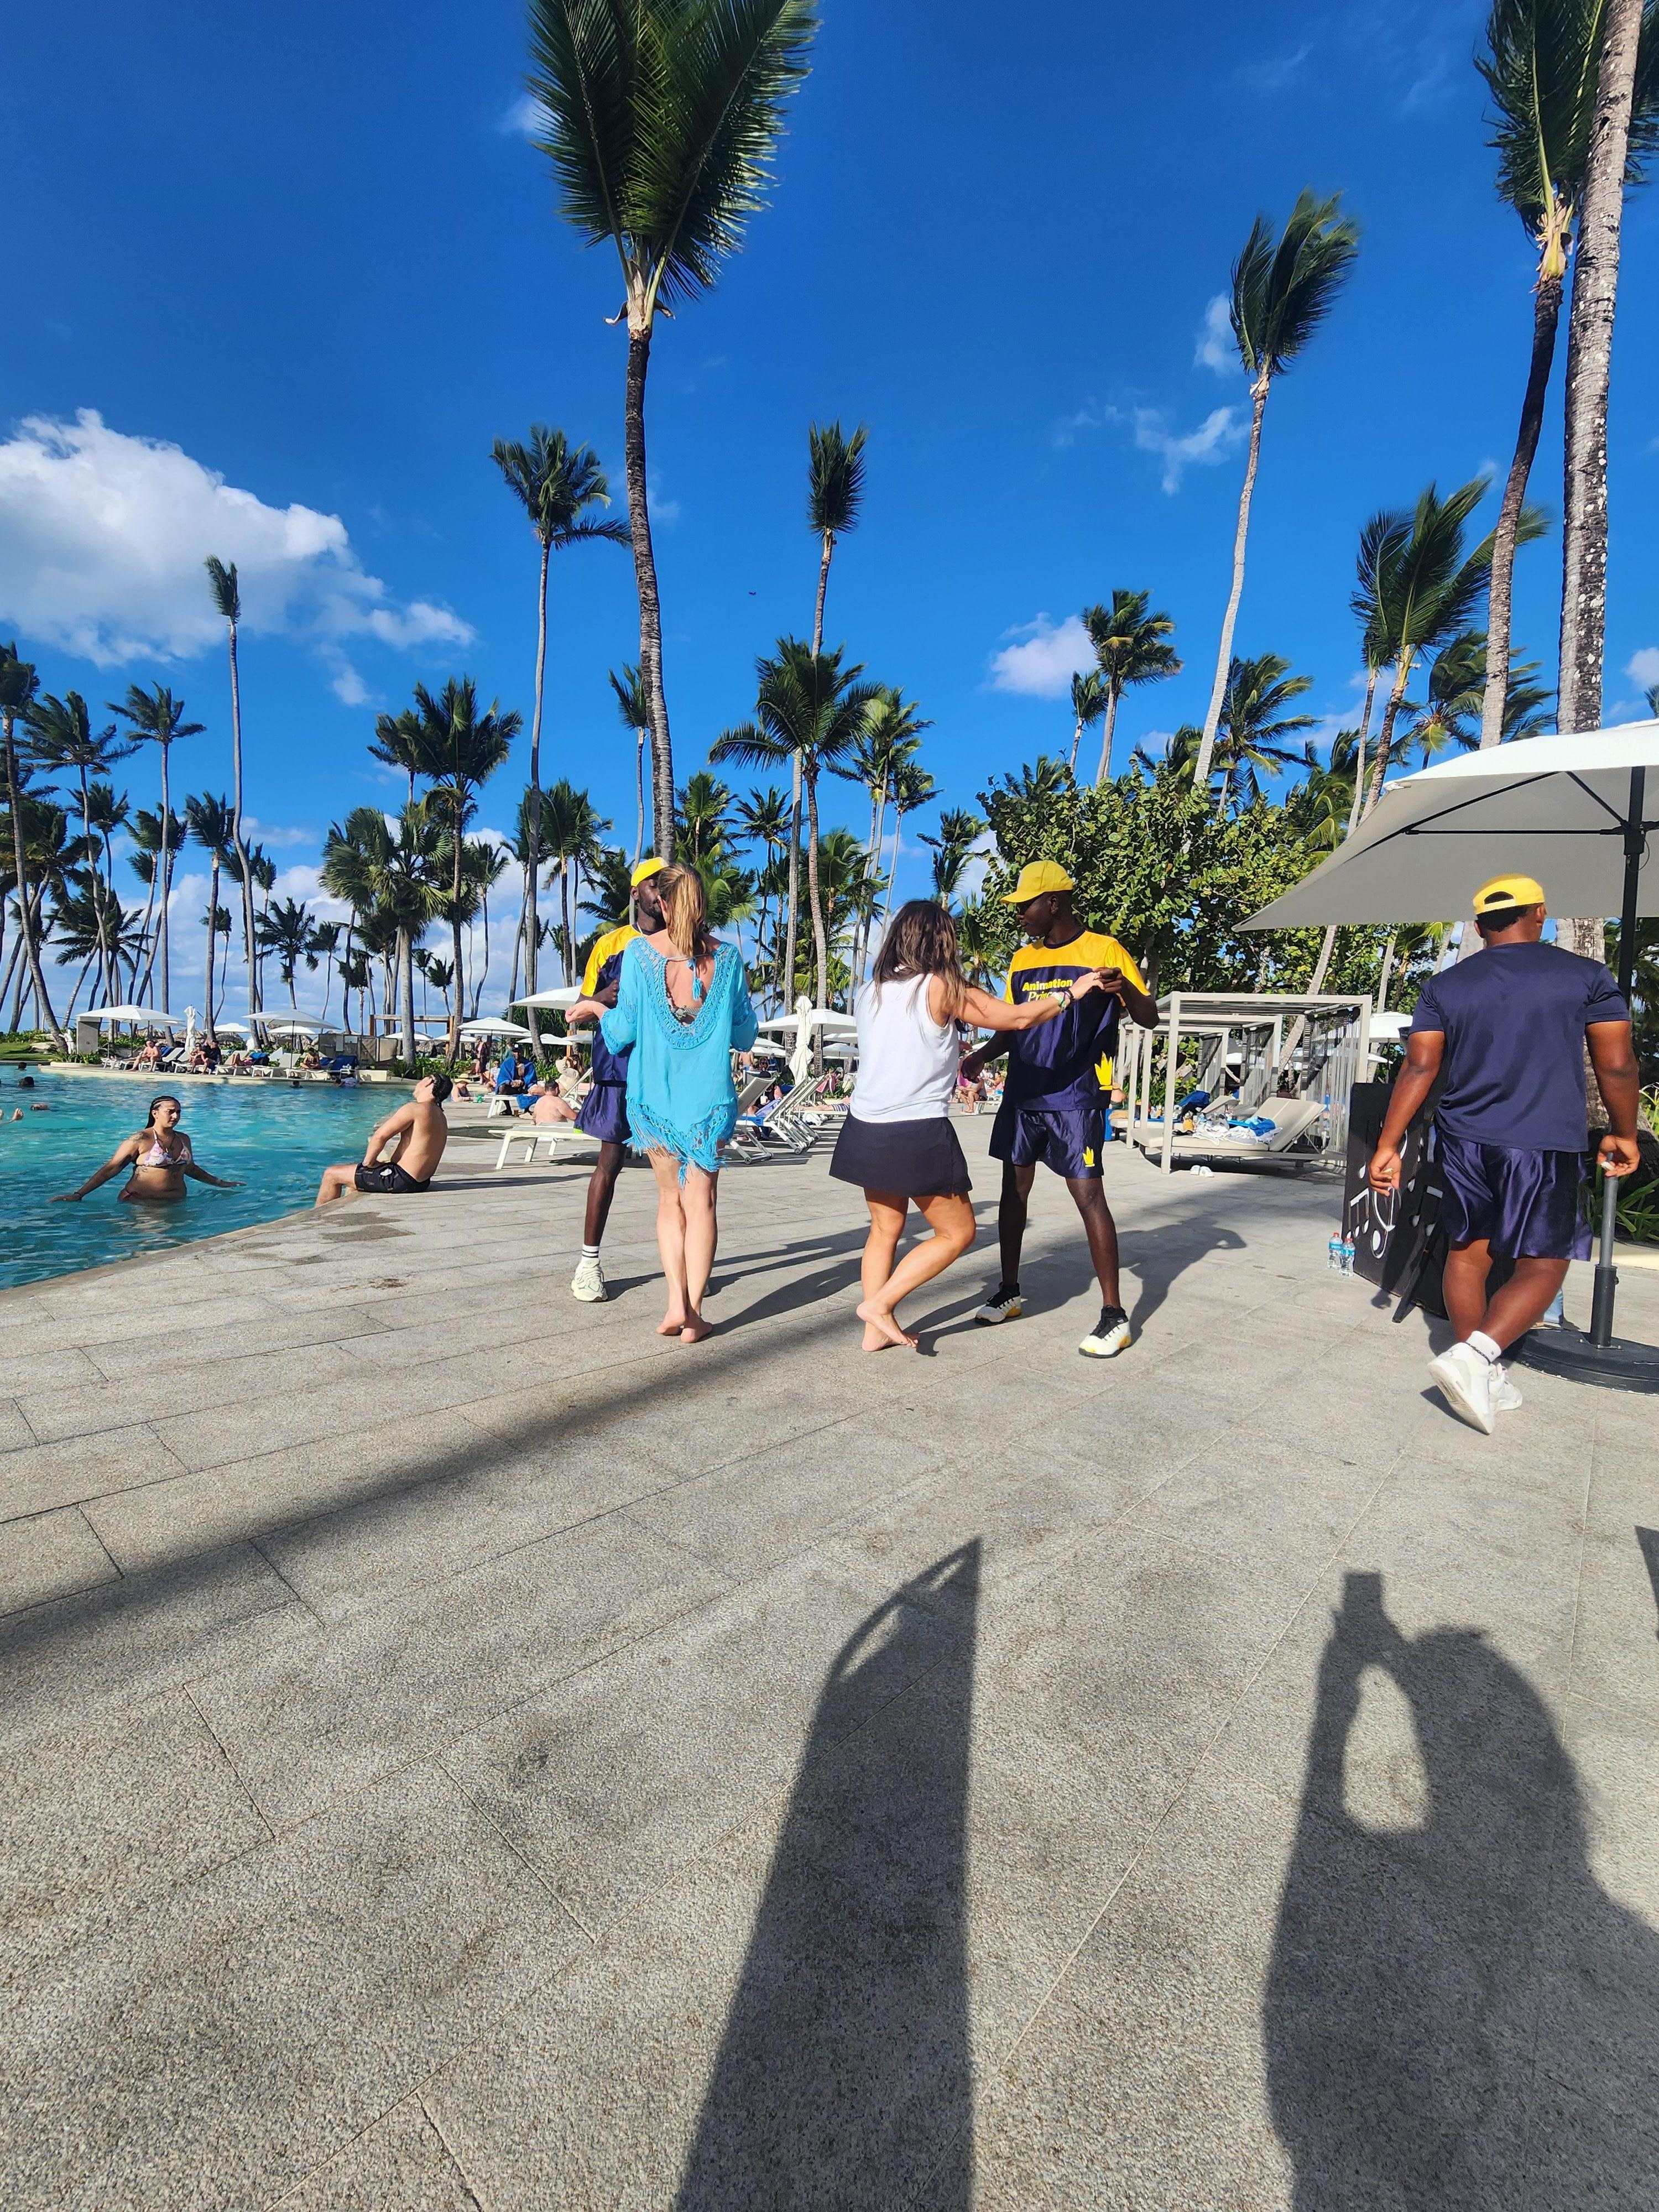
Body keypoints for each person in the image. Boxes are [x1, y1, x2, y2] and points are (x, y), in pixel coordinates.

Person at [1369, 873, 1640, 1433]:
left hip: (1464, 1137)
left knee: (1468, 1256)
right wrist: (1625, 1132)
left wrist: (1389, 1144)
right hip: (1541, 1140)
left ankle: (1482, 1373)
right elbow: (1616, 1063)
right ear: (1540, 914)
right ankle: (1475, 1358)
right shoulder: (1586, 976)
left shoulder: (1446, 985)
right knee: (1546, 1262)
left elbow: (1419, 1067)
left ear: (1477, 926)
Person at [832, 900, 1110, 1352]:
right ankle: (879, 1306)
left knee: (883, 1231)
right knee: (957, 1233)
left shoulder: (871, 990)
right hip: (914, 1129)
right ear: (939, 940)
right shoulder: (940, 986)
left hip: (865, 1126)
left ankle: (873, 1334)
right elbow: (1017, 1018)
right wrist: (1070, 994)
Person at [961, 860, 1160, 1357]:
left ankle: (1114, 1315)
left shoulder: (1104, 950)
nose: (1019, 915)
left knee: (1088, 1195)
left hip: (1075, 1096)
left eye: (1025, 905)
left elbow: (1150, 1017)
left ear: (1054, 902)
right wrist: (981, 1056)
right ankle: (1009, 1290)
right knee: (1014, 1189)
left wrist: (1125, 989)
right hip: (1024, 1093)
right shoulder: (1021, 959)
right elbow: (1014, 1024)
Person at [568, 862, 757, 1342]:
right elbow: (743, 1032)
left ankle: (675, 1305)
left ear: (664, 902)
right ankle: (695, 1313)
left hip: (654, 1098)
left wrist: (595, 1008)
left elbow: (622, 1032)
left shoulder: (639, 955)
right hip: (709, 1100)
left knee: (669, 1200)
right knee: (704, 1204)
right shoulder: (729, 959)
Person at [562, 855, 669, 1303]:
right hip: (619, 1066)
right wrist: (603, 996)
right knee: (610, 1163)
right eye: (654, 884)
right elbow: (582, 1006)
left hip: (664, 1066)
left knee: (677, 1169)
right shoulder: (611, 943)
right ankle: (588, 1263)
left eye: (668, 885)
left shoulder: (678, 944)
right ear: (636, 893)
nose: (663, 892)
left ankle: (683, 1264)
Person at [53, 1094, 240, 1205]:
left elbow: (190, 1168)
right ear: (155, 1113)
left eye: (179, 1112)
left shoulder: (184, 1139)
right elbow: (110, 1169)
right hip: (140, 1204)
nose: (175, 1116)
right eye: (171, 1111)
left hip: (175, 1204)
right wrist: (79, 1194)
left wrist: (221, 1183)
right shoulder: (140, 1139)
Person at [314, 1072, 453, 1204]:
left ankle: (318, 1219)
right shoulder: (440, 1116)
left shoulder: (415, 1109)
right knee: (353, 1180)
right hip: (421, 1181)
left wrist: (368, 1164)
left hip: (402, 1179)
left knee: (331, 1174)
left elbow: (380, 1136)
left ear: (429, 1082)